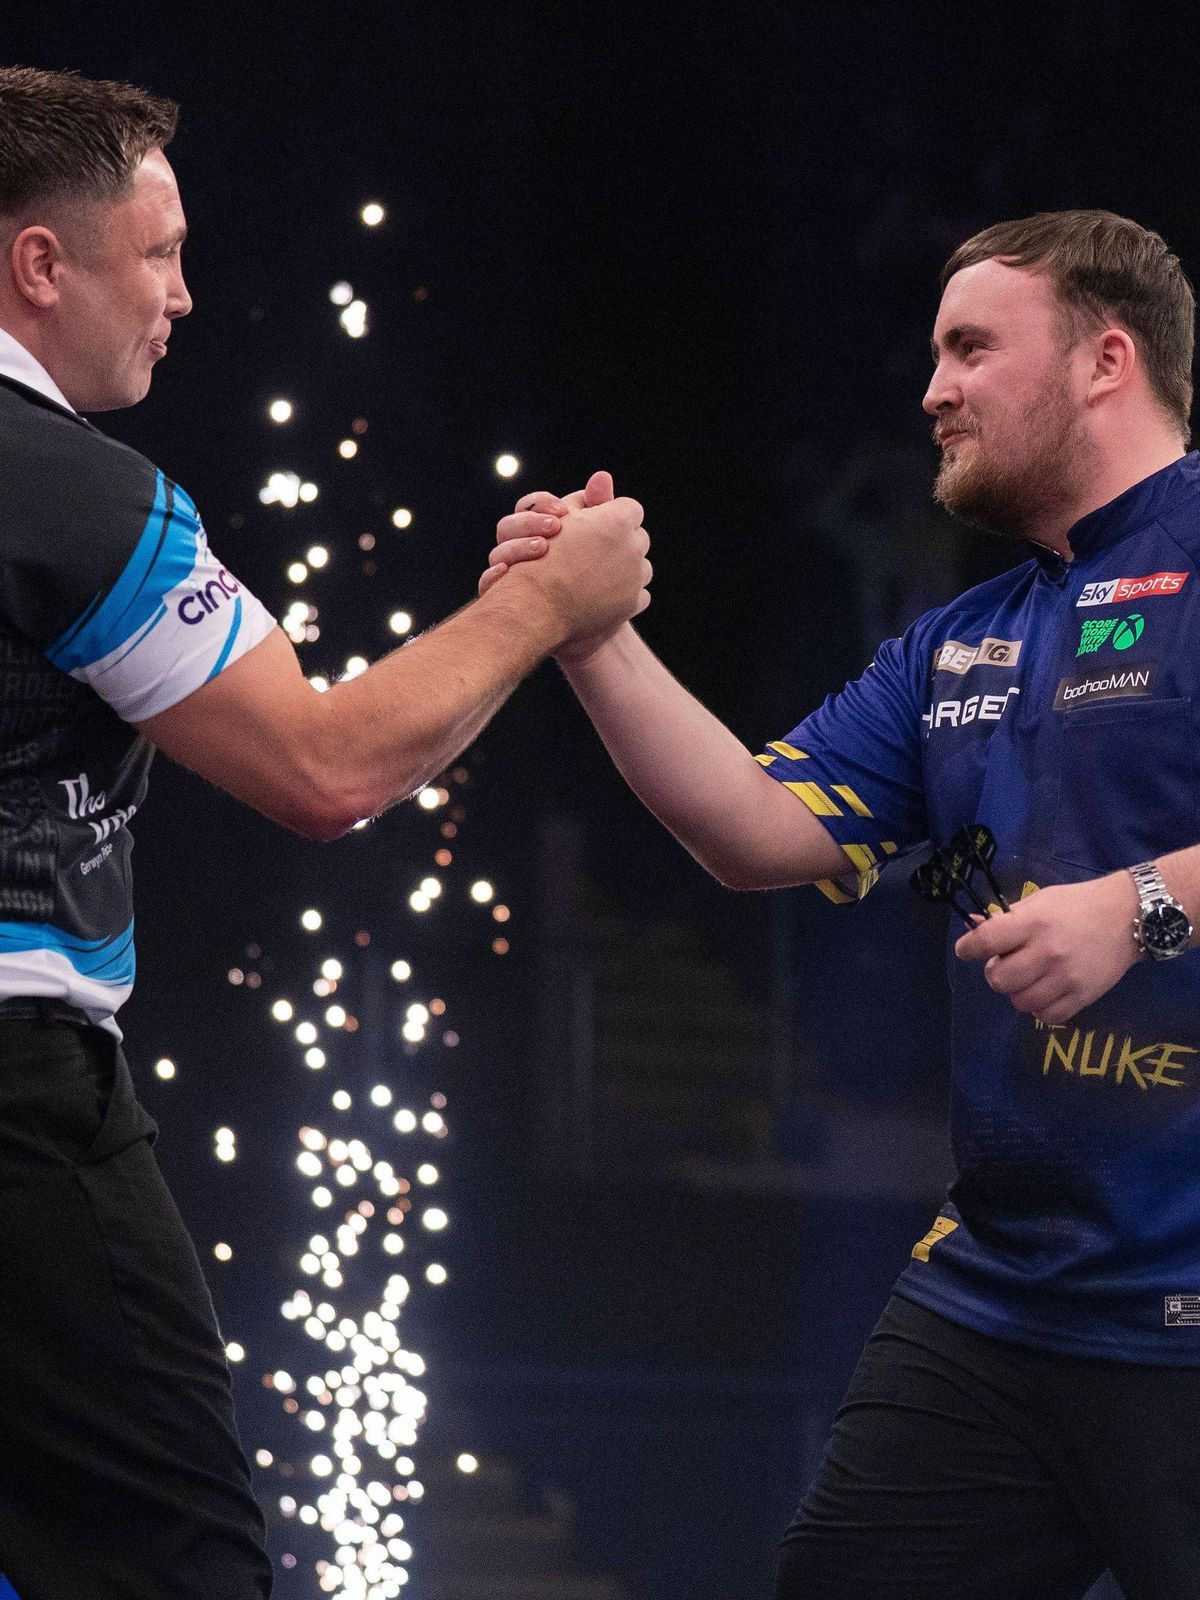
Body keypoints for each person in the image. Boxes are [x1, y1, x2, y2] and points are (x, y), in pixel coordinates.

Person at [0, 66, 651, 1600]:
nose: (183, 296)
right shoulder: (69, 493)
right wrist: (545, 605)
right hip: (16, 1091)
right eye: (155, 255)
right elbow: (326, 766)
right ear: (38, 264)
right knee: (181, 1561)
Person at [487, 211, 1200, 1599]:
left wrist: (1145, 908)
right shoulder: (964, 638)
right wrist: (587, 638)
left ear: (1108, 360)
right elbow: (754, 831)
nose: (933, 389)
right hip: (1000, 1296)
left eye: (971, 348)